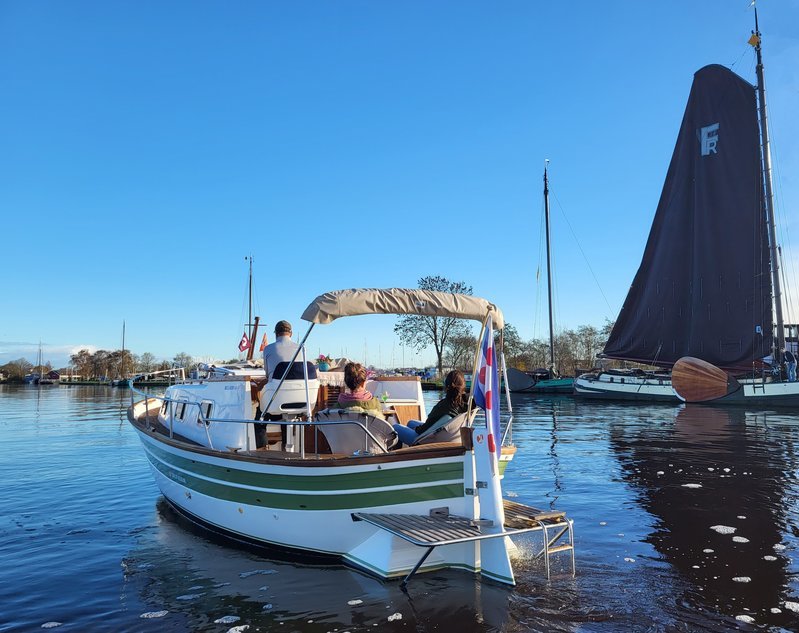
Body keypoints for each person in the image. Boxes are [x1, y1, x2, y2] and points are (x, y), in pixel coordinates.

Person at [394, 370, 468, 446]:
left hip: (426, 441)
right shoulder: (465, 405)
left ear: (446, 386)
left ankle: (399, 452)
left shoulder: (443, 406)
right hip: (450, 440)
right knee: (411, 423)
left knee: (395, 427)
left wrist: (416, 429)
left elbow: (424, 429)